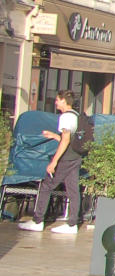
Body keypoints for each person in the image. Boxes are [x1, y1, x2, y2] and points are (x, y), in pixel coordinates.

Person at [19, 90, 83, 234]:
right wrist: (54, 135)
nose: (55, 102)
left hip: (65, 159)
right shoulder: (76, 116)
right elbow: (69, 140)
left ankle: (37, 221)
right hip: (76, 157)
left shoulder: (66, 117)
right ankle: (72, 224)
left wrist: (54, 162)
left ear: (63, 101)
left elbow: (66, 140)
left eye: (57, 100)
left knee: (47, 186)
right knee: (73, 190)